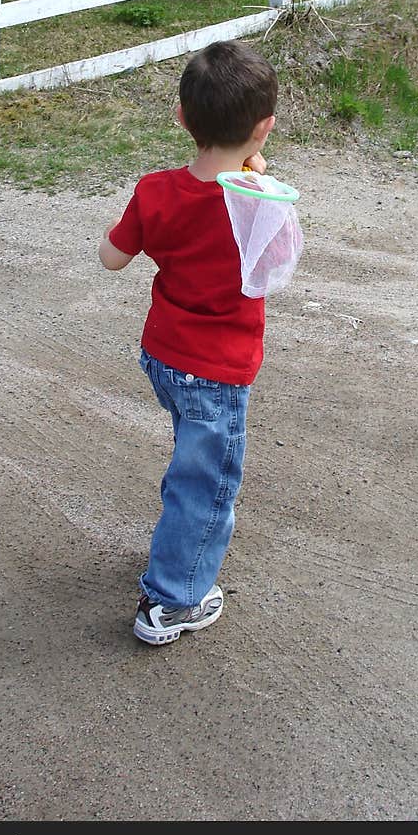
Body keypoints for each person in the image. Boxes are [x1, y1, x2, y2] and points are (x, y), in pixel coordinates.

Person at [98, 40, 278, 645]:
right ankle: (172, 601)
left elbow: (112, 258)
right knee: (204, 482)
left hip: (164, 356)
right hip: (218, 370)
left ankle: (176, 552)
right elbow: (274, 270)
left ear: (182, 117)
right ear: (264, 129)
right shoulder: (259, 205)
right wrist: (260, 185)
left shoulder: (155, 190)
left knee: (191, 457)